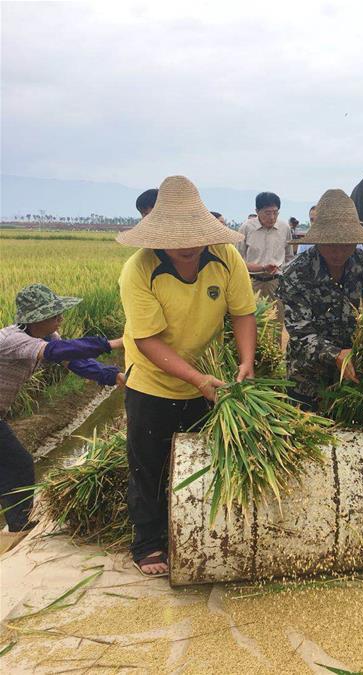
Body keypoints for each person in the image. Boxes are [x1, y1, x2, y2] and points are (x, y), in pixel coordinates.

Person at [117, 175, 257, 577]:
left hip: (207, 378)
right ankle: (148, 542)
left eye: (194, 235)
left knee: (202, 461)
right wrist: (195, 379)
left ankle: (199, 531)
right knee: (150, 462)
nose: (188, 245)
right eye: (177, 238)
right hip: (151, 380)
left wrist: (245, 361)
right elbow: (146, 340)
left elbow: (242, 312)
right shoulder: (139, 269)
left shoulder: (225, 257)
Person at [1, 285, 124, 532]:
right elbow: (59, 351)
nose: (61, 318)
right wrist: (113, 344)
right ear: (37, 318)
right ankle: (19, 524)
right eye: (55, 314)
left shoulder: (47, 337)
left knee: (13, 464)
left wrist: (114, 376)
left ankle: (17, 523)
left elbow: (74, 360)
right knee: (19, 464)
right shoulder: (13, 339)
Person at [278, 189, 363, 411]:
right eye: (330, 243)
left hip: (359, 380)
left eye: (345, 243)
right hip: (308, 381)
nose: (338, 251)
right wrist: (336, 355)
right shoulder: (295, 273)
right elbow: (301, 333)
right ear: (318, 240)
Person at [237, 192, 293, 325]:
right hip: (251, 283)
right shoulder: (246, 228)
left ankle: (276, 346)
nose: (272, 217)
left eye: (275, 212)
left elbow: (289, 257)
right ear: (257, 211)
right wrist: (261, 267)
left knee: (276, 323)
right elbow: (237, 261)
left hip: (276, 283)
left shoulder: (284, 228)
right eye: (267, 213)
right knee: (251, 322)